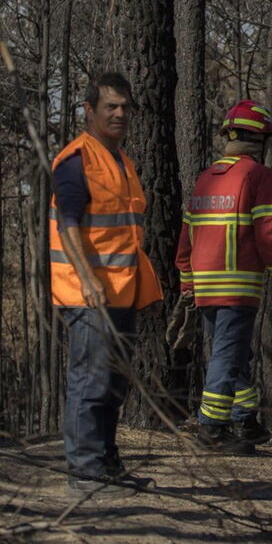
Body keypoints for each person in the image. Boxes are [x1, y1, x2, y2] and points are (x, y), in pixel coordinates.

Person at [51, 72, 163, 497]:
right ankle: (84, 473)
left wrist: (142, 291)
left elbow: (126, 236)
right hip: (88, 294)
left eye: (124, 107)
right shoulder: (77, 160)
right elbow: (68, 225)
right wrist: (87, 280)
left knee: (114, 383)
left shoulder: (122, 161)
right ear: (88, 110)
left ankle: (106, 464)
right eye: (109, 107)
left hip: (122, 292)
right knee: (90, 381)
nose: (118, 114)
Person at [175, 100, 272, 453]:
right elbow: (269, 233)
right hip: (238, 286)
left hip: (207, 286)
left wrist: (188, 280)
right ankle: (212, 428)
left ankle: (244, 420)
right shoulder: (259, 176)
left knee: (235, 354)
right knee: (227, 357)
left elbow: (187, 235)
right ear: (261, 141)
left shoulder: (206, 178)